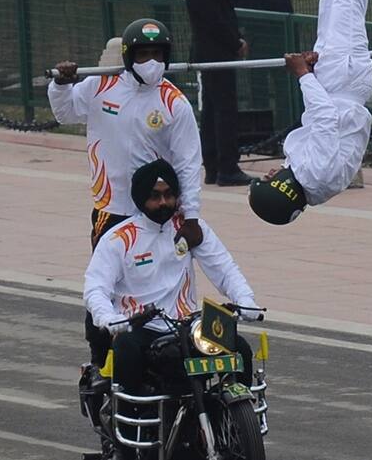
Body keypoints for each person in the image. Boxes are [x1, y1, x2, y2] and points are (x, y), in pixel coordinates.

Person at [49, 18, 204, 366]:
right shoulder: (99, 86)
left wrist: (190, 216)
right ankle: (102, 357)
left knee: (161, 283)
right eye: (143, 53)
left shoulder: (174, 103)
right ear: (128, 56)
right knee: (106, 286)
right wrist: (61, 84)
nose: (151, 61)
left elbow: (189, 164)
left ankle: (165, 354)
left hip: (159, 211)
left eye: (158, 54)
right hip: (112, 210)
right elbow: (63, 112)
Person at [84, 159, 261, 458]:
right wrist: (109, 318)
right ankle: (129, 441)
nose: (164, 202)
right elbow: (95, 287)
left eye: (169, 194)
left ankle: (232, 427)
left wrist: (246, 301)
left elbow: (224, 268)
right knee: (125, 349)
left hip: (187, 325)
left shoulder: (190, 228)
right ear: (141, 199)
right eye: (155, 195)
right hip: (141, 327)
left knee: (240, 349)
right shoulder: (119, 238)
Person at [247, 0, 372, 225]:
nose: (267, 174)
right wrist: (302, 74)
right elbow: (326, 119)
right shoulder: (314, 173)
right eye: (267, 181)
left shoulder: (309, 181)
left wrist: (311, 73)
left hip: (334, 81)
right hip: (343, 80)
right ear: (280, 189)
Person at [186, 0, 253, 187]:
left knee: (214, 111)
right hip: (215, 56)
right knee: (224, 112)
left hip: (214, 55)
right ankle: (226, 167)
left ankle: (214, 166)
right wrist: (236, 43)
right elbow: (213, 22)